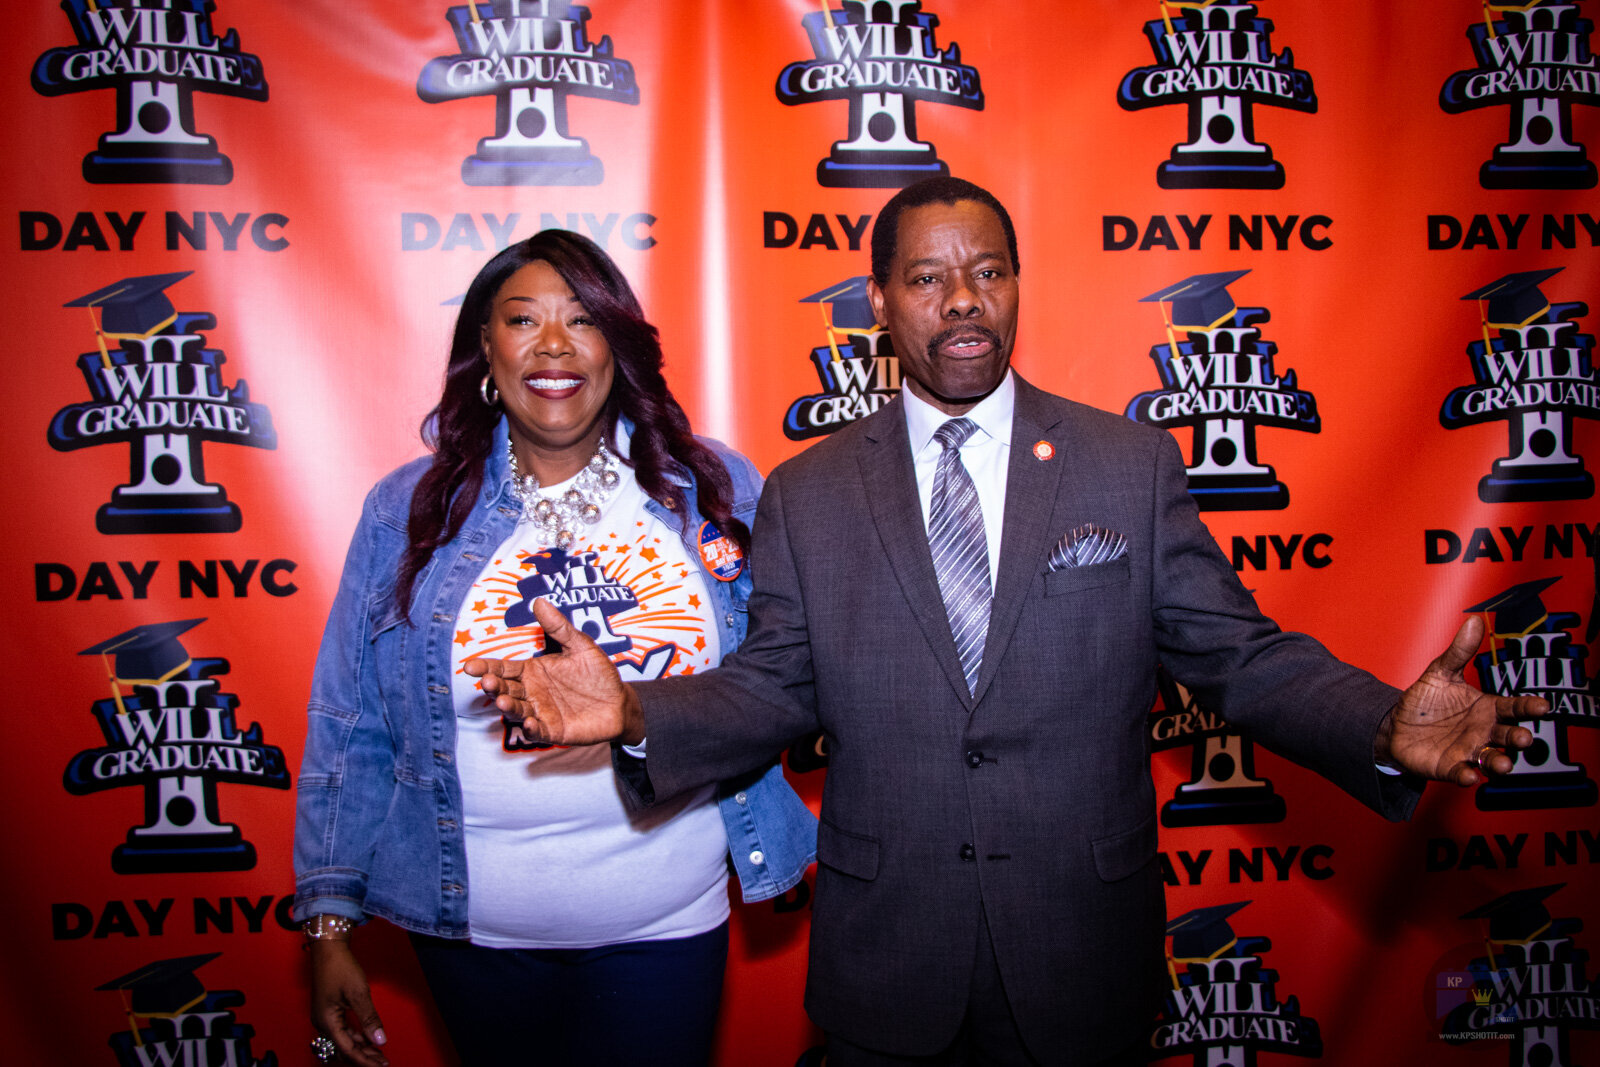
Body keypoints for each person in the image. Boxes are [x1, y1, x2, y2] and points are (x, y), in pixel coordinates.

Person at [466, 179, 1548, 1065]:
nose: (963, 300)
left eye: (986, 272)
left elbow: (1236, 651)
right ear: (880, 302)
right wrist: (635, 710)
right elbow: (775, 684)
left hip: (1080, 946)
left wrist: (1379, 722)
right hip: (889, 960)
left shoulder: (1125, 466)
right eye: (928, 278)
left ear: (1018, 287)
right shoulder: (809, 491)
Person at [292, 230, 817, 1067]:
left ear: (618, 344)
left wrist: (635, 710)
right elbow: (351, 723)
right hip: (476, 935)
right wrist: (328, 919)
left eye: (582, 319)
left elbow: (777, 681)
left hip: (666, 922)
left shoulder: (711, 489)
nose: (554, 345)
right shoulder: (407, 509)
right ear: (485, 349)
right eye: (523, 320)